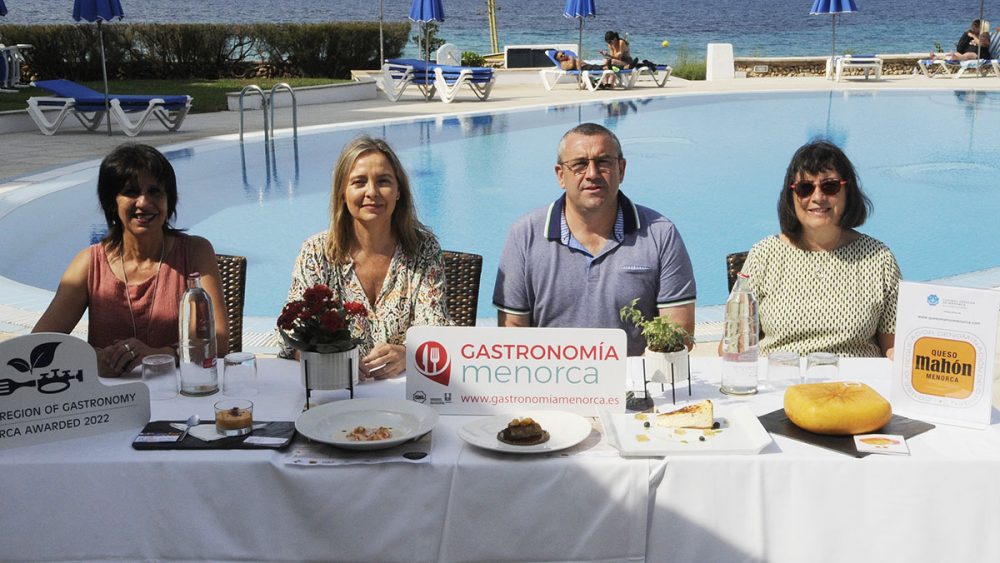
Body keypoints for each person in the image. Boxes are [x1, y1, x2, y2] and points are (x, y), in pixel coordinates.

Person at [493, 123, 696, 357]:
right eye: (579, 164)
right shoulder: (525, 235)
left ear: (621, 169)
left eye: (603, 162)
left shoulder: (660, 234)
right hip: (552, 384)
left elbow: (677, 333)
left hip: (636, 384)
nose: (592, 174)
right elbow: (513, 331)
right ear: (561, 175)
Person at [33, 143, 229, 376]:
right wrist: (94, 359)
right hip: (109, 401)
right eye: (131, 191)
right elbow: (37, 346)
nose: (144, 203)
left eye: (155, 191)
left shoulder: (195, 252)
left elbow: (219, 341)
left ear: (169, 200)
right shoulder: (89, 265)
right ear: (112, 202)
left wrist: (160, 355)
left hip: (181, 394)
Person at [281, 136, 449, 379]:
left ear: (398, 191)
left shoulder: (423, 250)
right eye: (359, 182)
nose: (372, 192)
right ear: (342, 192)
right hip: (336, 391)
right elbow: (290, 338)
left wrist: (409, 354)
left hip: (405, 394)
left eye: (383, 181)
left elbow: (436, 330)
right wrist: (330, 358)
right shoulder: (316, 253)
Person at [738, 140, 900, 358]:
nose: (817, 197)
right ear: (791, 195)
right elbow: (735, 343)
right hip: (781, 384)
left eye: (830, 186)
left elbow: (894, 346)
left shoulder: (879, 259)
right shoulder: (764, 255)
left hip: (854, 386)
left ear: (847, 191)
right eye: (805, 188)